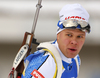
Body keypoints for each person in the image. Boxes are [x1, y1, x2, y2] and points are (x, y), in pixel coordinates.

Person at [21, 3, 91, 78]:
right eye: (69, 35)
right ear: (58, 35)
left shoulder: (75, 60)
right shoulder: (47, 64)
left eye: (79, 36)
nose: (74, 41)